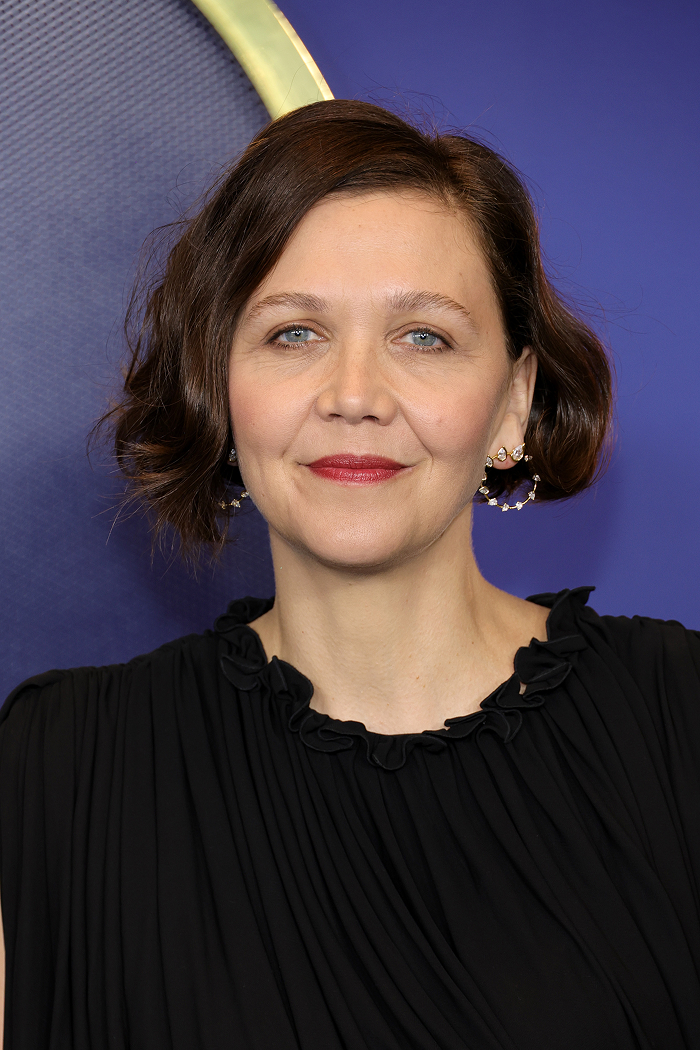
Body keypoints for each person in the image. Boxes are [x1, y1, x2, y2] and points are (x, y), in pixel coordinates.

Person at [1, 100, 699, 1050]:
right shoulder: (55, 773)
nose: (356, 397)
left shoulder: (680, 721)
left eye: (424, 336)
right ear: (219, 392)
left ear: (514, 402)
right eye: (294, 334)